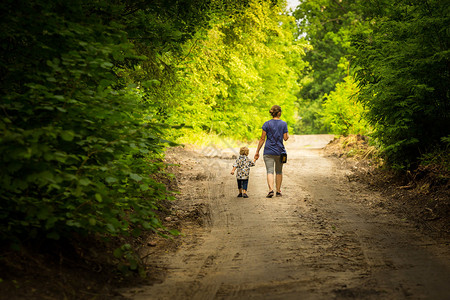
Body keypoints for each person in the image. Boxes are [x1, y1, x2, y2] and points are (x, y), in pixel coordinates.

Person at [254, 105, 289, 198]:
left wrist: (257, 151)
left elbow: (262, 139)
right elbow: (285, 138)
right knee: (279, 171)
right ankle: (278, 191)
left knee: (269, 171)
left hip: (268, 151)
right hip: (279, 152)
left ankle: (270, 190)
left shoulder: (266, 124)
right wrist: (287, 135)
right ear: (279, 113)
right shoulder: (283, 124)